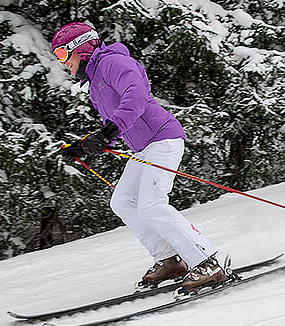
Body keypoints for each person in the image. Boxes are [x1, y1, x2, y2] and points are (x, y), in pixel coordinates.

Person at [51, 22, 226, 292]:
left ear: (81, 48)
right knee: (122, 201)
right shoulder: (96, 79)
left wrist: (108, 131)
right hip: (143, 148)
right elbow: (118, 119)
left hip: (162, 139)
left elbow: (136, 97)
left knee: (151, 205)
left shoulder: (113, 63)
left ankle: (205, 261)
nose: (63, 63)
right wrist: (86, 144)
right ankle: (169, 260)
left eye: (63, 55)